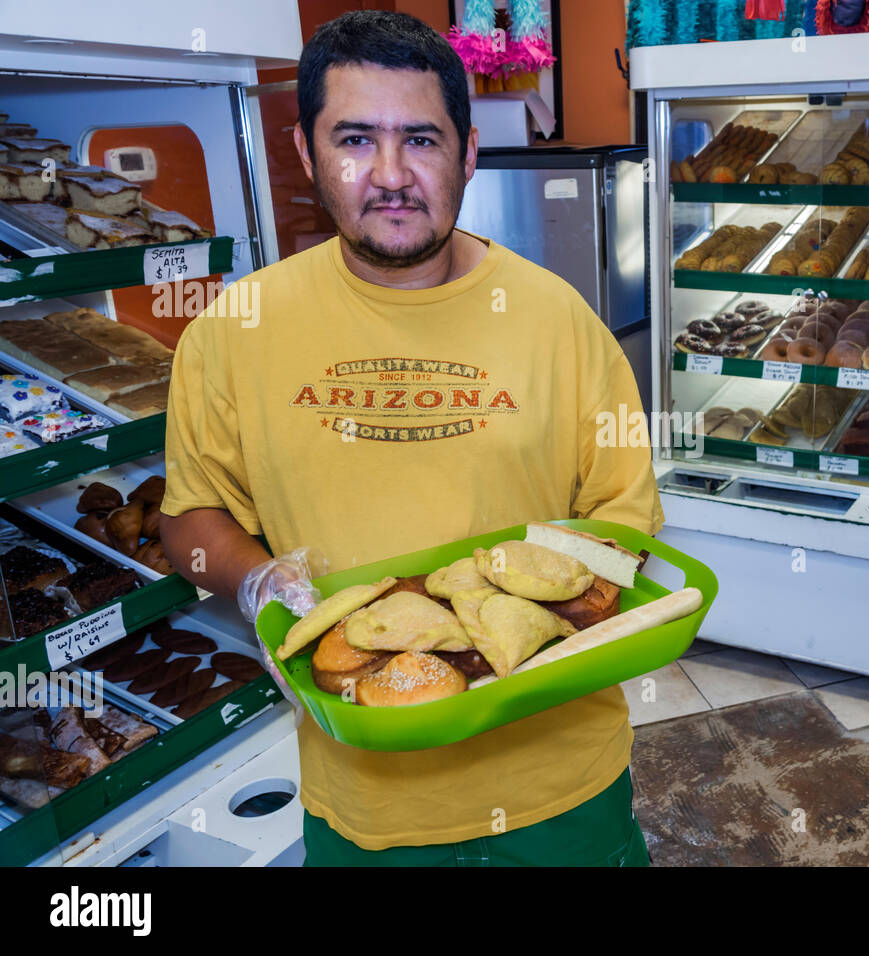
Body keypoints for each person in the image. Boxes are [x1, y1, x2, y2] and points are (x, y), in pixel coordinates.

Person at [158, 10, 664, 866]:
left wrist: (539, 608)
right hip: (368, 796)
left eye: (421, 140)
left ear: (468, 153)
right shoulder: (234, 329)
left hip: (558, 783)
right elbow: (191, 515)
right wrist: (261, 587)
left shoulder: (558, 320)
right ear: (304, 149)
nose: (390, 175)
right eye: (355, 138)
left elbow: (627, 524)